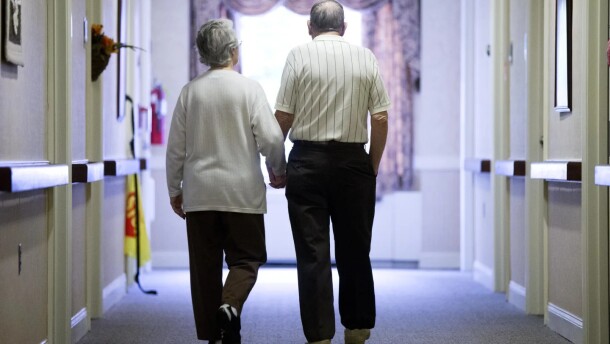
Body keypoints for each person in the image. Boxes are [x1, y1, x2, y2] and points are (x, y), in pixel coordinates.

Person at [272, 1, 390, 343]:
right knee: (355, 250)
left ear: (309, 27)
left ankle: (320, 336)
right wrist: (372, 166)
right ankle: (356, 329)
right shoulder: (365, 57)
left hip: (306, 163)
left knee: (312, 255)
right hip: (353, 163)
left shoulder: (298, 56)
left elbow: (282, 117)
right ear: (344, 27)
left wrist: (277, 165)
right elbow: (380, 117)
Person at [166, 19, 286, 344]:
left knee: (204, 271)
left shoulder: (190, 93)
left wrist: (174, 190)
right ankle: (230, 306)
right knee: (247, 259)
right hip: (242, 193)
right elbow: (273, 139)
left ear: (204, 54)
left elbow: (175, 149)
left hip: (200, 194)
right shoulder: (249, 89)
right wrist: (278, 170)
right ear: (233, 51)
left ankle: (213, 335)